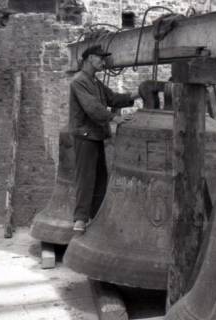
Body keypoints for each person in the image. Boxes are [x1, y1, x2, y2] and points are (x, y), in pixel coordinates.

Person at [69, 45, 139, 233]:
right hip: (85, 136)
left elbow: (113, 98)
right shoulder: (79, 81)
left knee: (101, 178)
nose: (103, 61)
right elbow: (92, 107)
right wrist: (115, 118)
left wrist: (137, 93)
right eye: (101, 58)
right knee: (86, 178)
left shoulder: (94, 82)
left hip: (96, 136)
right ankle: (80, 220)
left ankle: (98, 217)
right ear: (90, 58)